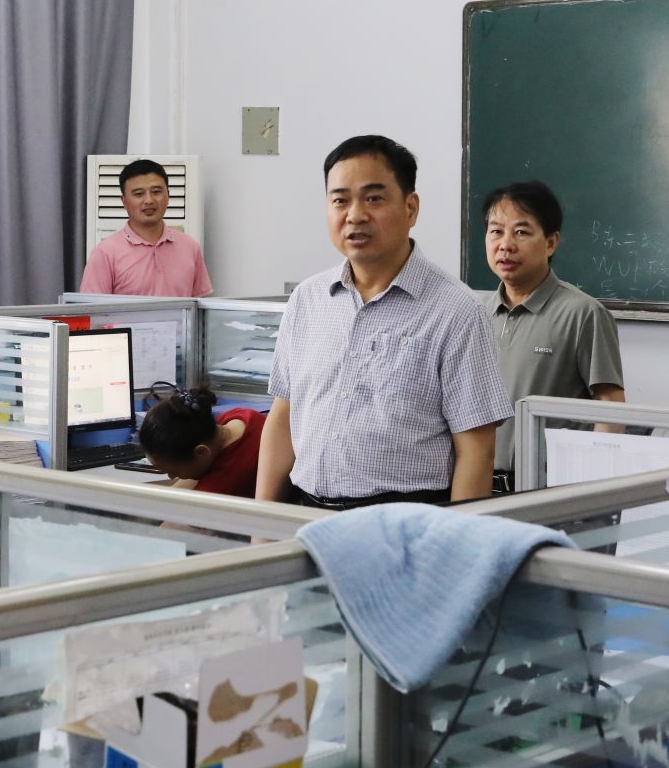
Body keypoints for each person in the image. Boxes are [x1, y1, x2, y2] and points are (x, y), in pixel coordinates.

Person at [255, 135, 510, 508]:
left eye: (373, 198)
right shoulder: (307, 300)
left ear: (411, 208)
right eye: (340, 200)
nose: (355, 215)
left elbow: (476, 449)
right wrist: (263, 524)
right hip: (306, 514)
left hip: (405, 520)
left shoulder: (457, 311)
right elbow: (283, 417)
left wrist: (455, 538)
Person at [483, 180, 625, 476]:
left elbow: (610, 408)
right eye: (496, 231)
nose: (505, 245)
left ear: (550, 242)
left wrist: (590, 485)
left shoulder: (583, 314)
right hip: (478, 483)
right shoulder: (475, 313)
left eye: (521, 232)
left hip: (548, 485)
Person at [80, 159, 214, 297]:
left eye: (156, 192)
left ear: (168, 195)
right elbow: (90, 308)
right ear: (124, 201)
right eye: (138, 194)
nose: (149, 200)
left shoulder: (190, 247)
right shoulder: (105, 253)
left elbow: (199, 304)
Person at [137, 384, 265, 496]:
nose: (171, 477)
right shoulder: (240, 416)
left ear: (201, 452)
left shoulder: (220, 487)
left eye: (173, 471)